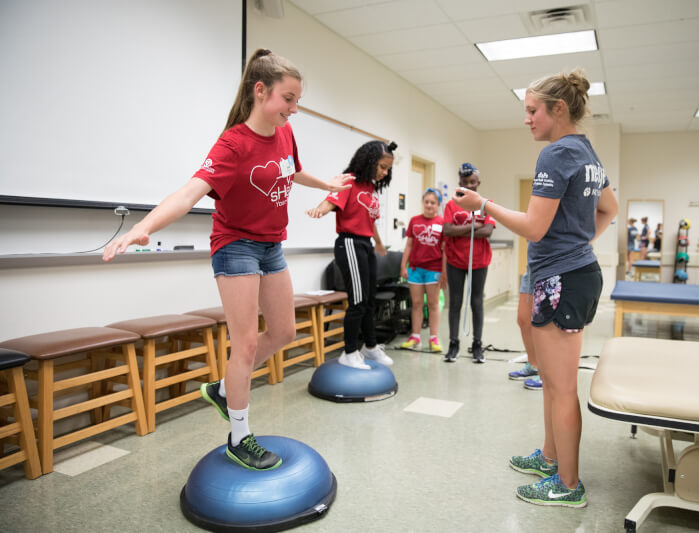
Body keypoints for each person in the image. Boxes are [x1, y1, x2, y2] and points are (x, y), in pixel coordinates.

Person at [102, 49, 354, 471]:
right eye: (288, 99)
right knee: (248, 343)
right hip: (235, 245)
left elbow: (290, 170)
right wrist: (142, 227)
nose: (293, 109)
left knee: (285, 332)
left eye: (296, 100)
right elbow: (188, 193)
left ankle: (223, 390)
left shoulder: (284, 133)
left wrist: (324, 181)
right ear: (261, 91)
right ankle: (239, 436)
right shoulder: (232, 143)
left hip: (271, 245)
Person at [453, 69, 618, 508]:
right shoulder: (587, 153)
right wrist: (578, 246)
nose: (527, 119)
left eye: (532, 111)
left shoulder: (557, 154)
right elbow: (609, 208)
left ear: (557, 109)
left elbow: (534, 225)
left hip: (562, 277)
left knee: (561, 387)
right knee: (549, 381)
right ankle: (550, 457)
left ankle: (568, 485)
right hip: (567, 272)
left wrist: (483, 205)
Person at [307, 140, 396, 370]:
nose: (384, 172)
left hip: (365, 245)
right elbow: (331, 200)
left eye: (388, 169)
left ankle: (370, 346)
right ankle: (349, 352)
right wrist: (320, 209)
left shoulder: (370, 187)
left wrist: (378, 242)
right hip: (349, 243)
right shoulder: (350, 181)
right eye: (382, 167)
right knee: (356, 301)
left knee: (368, 300)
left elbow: (369, 219)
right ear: (369, 160)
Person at [442, 163, 496, 363]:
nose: (469, 185)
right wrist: (474, 225)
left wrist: (462, 228)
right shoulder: (451, 205)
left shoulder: (485, 204)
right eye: (465, 183)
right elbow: (447, 230)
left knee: (476, 302)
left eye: (472, 182)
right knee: (455, 303)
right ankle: (453, 344)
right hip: (455, 261)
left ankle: (477, 345)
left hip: (479, 262)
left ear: (478, 183)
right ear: (460, 184)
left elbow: (488, 232)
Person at [399, 188, 447, 352]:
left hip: (434, 269)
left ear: (438, 205)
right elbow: (409, 245)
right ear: (423, 203)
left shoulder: (442, 223)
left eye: (432, 202)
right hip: (415, 269)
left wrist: (444, 272)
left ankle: (433, 338)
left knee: (433, 305)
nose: (429, 205)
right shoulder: (414, 221)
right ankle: (415, 337)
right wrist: (403, 265)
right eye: (426, 201)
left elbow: (445, 250)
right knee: (417, 304)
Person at [507, 264, 542, 390]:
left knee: (549, 326)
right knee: (523, 319)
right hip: (533, 267)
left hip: (553, 266)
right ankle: (534, 366)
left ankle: (548, 374)